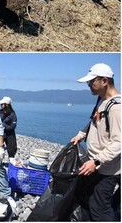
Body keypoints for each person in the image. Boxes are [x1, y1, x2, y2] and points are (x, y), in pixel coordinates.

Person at [71, 63, 120, 221]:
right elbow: (95, 121)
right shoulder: (102, 100)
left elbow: (119, 142)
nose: (89, 86)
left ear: (104, 81)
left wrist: (96, 161)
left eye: (92, 82)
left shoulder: (117, 108)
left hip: (107, 169)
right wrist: (82, 134)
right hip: (95, 163)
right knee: (84, 196)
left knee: (100, 208)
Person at [0, 96, 17, 162]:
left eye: (2, 104)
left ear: (7, 105)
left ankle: (11, 161)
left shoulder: (12, 114)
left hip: (10, 135)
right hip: (0, 134)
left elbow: (13, 126)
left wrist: (4, 126)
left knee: (11, 149)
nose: (1, 105)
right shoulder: (0, 112)